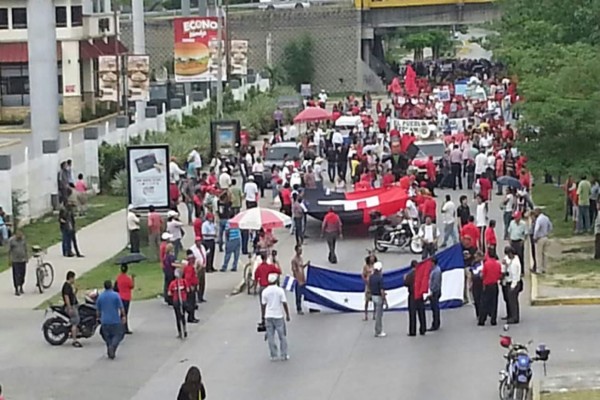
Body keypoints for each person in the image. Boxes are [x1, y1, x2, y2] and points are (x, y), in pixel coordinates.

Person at [261, 273, 291, 361]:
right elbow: (284, 303)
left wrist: (263, 317)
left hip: (268, 316)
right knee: (282, 336)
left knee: (270, 336)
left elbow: (263, 305)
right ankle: (284, 354)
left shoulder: (265, 291)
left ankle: (273, 355)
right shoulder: (279, 291)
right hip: (278, 316)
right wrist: (287, 314)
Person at [96, 280, 126, 359]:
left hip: (105, 321)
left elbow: (98, 310)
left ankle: (110, 350)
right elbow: (121, 308)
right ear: (111, 286)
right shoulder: (116, 295)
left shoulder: (100, 296)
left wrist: (98, 318)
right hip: (115, 320)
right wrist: (123, 316)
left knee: (107, 336)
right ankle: (112, 347)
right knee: (118, 335)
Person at [479, 250, 502, 326]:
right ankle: (493, 320)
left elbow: (482, 275)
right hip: (494, 285)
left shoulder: (486, 264)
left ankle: (482, 320)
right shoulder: (498, 264)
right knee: (494, 303)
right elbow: (499, 275)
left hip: (487, 285)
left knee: (484, 303)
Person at [404, 260, 426, 336]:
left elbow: (406, 283)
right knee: (421, 312)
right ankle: (423, 329)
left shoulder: (409, 275)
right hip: (420, 294)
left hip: (412, 295)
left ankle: (412, 331)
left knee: (412, 314)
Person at [62, 270, 82, 348]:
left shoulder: (69, 286)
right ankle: (74, 340)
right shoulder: (66, 286)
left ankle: (76, 333)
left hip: (74, 305)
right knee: (75, 321)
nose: (74, 280)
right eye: (74, 278)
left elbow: (72, 296)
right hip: (71, 307)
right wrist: (69, 308)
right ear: (70, 278)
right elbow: (66, 297)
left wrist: (76, 291)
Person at [168, 267, 190, 339]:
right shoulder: (176, 283)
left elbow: (169, 293)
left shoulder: (181, 282)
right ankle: (182, 330)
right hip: (178, 301)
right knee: (180, 316)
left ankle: (182, 331)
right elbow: (169, 293)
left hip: (180, 301)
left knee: (179, 316)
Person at [502, 246, 522, 324]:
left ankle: (514, 317)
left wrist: (512, 287)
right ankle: (510, 315)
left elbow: (515, 276)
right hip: (508, 281)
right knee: (509, 300)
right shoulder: (509, 259)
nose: (507, 256)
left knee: (513, 301)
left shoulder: (515, 263)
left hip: (514, 283)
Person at [369, 261, 387, 338]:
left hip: (373, 296)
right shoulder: (380, 278)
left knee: (377, 313)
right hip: (379, 297)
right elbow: (382, 290)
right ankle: (378, 331)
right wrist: (385, 300)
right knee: (379, 315)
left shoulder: (371, 277)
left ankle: (378, 330)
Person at [115, 264, 135, 334]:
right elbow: (132, 286)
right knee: (125, 313)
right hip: (126, 297)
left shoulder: (118, 278)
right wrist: (133, 278)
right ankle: (124, 328)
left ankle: (120, 327)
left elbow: (116, 286)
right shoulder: (127, 279)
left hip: (120, 297)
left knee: (121, 313)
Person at [8, 230, 28, 296]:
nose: (20, 236)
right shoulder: (11, 240)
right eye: (18, 235)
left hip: (23, 260)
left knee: (22, 274)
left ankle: (21, 286)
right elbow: (9, 251)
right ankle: (16, 289)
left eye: (21, 235)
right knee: (16, 275)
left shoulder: (23, 239)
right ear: (16, 234)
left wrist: (26, 257)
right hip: (15, 260)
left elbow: (25, 248)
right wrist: (9, 260)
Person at [532, 208, 553, 274]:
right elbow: (550, 226)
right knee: (545, 254)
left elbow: (536, 229)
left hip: (540, 238)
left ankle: (539, 269)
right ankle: (545, 268)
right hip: (546, 237)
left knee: (539, 255)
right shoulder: (546, 218)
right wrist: (548, 232)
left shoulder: (539, 219)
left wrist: (534, 237)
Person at [182, 250, 200, 323]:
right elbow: (188, 278)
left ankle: (192, 316)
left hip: (193, 285)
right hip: (191, 286)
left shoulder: (191, 267)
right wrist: (189, 286)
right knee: (191, 302)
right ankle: (191, 317)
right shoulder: (189, 268)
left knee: (192, 302)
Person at [290, 245, 309, 315]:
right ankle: (299, 308)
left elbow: (301, 267)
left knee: (307, 293)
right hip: (298, 280)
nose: (301, 251)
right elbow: (294, 270)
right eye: (299, 250)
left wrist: (306, 265)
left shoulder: (300, 258)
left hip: (303, 278)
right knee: (298, 295)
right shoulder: (294, 260)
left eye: (301, 250)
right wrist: (297, 279)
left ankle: (311, 307)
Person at [362, 252, 377, 321]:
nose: (372, 258)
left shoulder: (376, 266)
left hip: (374, 285)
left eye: (373, 257)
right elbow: (363, 275)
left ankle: (375, 314)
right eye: (371, 257)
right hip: (368, 285)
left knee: (375, 300)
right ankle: (366, 315)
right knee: (367, 300)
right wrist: (366, 280)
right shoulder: (366, 266)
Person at [428, 256, 442, 331]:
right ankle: (436, 323)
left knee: (435, 308)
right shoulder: (435, 270)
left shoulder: (436, 271)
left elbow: (435, 283)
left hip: (435, 292)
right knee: (435, 308)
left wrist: (432, 292)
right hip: (435, 291)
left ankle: (435, 324)